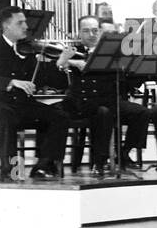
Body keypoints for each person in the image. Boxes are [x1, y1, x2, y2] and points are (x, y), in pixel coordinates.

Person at [0, 6, 73, 180]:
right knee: (5, 116)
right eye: (20, 23)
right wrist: (12, 82)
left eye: (25, 22)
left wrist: (60, 64)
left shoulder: (27, 51)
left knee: (59, 116)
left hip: (22, 105)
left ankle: (43, 165)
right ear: (6, 26)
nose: (26, 27)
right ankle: (11, 170)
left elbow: (48, 79)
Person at [61, 16, 149, 175]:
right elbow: (58, 73)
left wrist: (128, 68)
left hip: (109, 100)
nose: (92, 34)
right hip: (84, 103)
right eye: (86, 31)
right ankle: (99, 162)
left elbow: (127, 81)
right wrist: (68, 62)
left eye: (95, 30)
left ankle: (124, 153)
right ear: (79, 33)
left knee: (142, 112)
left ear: (100, 32)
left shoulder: (112, 53)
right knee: (103, 113)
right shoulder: (73, 52)